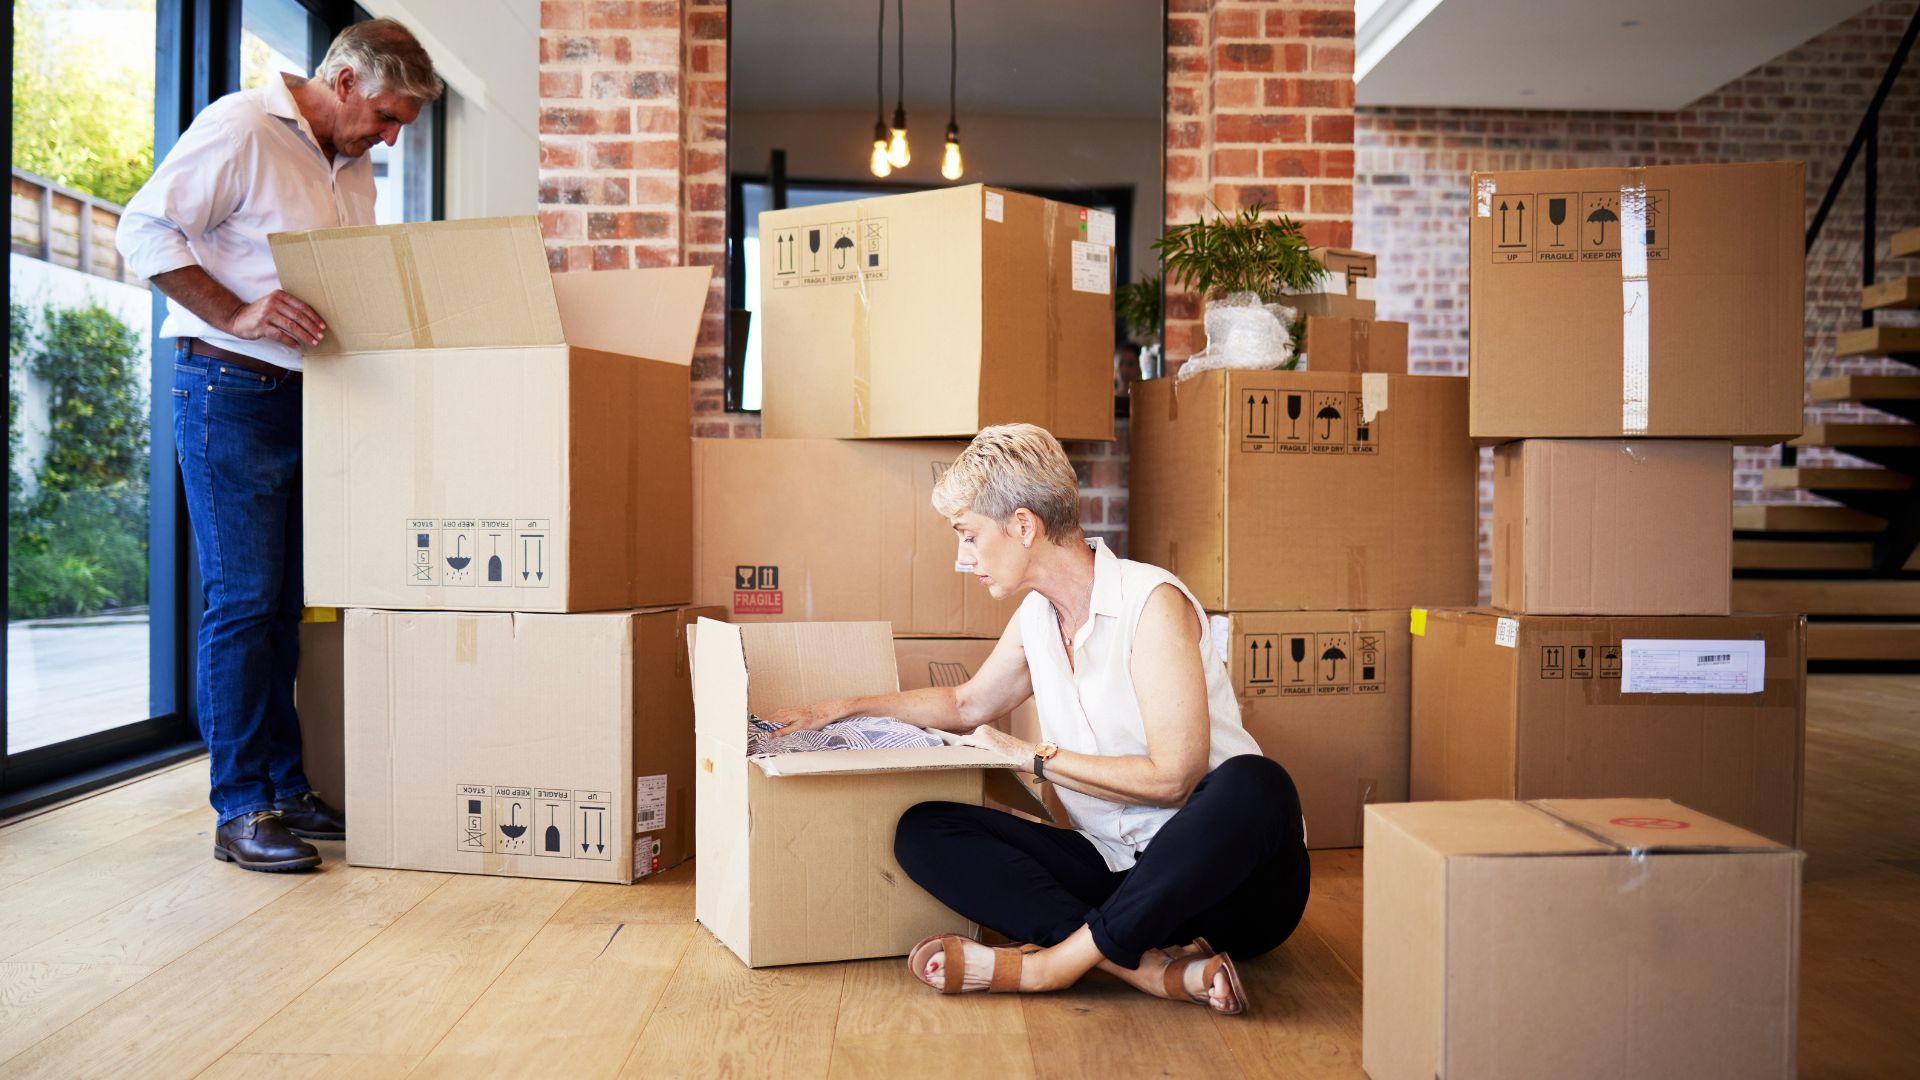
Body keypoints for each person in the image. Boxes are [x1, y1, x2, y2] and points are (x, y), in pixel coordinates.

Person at [762, 424, 1310, 1014]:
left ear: (1024, 526)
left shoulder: (1151, 604)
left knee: (1258, 782)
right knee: (925, 830)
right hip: (1116, 867)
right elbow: (967, 705)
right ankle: (1147, 969)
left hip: (1229, 884)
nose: (962, 558)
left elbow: (1174, 779)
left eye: (969, 536)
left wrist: (1033, 758)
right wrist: (841, 709)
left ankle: (1054, 965)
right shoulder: (1037, 618)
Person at [116, 19, 442, 872]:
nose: (390, 136)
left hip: (314, 401)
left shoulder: (352, 164)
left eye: (400, 124)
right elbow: (141, 231)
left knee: (292, 603)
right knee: (244, 602)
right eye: (385, 116)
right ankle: (241, 809)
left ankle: (286, 787)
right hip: (228, 391)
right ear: (341, 83)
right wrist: (235, 311)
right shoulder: (240, 128)